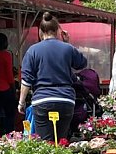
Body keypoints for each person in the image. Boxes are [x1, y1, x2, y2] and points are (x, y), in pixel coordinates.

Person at [19, 12, 88, 141]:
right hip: (65, 99)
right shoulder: (67, 48)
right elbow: (82, 64)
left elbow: (26, 80)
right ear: (57, 31)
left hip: (42, 100)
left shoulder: (33, 50)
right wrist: (68, 43)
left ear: (40, 31)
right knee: (61, 140)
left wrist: (21, 102)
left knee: (45, 142)